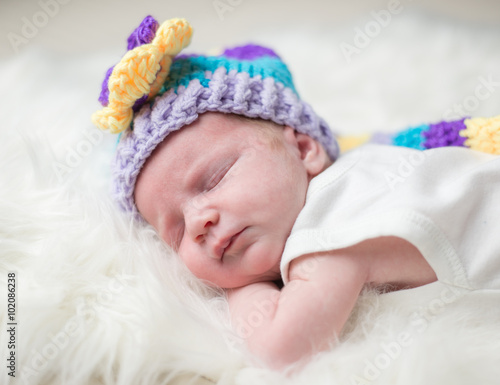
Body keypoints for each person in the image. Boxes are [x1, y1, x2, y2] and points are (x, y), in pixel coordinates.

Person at [92, 16, 500, 370]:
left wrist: (241, 288)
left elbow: (281, 350)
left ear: (305, 148)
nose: (199, 221)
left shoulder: (335, 220)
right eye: (176, 231)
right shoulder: (375, 166)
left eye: (215, 178)